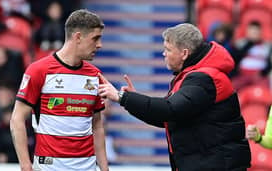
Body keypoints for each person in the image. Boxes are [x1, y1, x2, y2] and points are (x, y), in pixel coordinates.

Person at [98, 23, 251, 171]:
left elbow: (170, 110)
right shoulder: (195, 75)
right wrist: (131, 100)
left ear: (184, 53)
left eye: (168, 49)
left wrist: (121, 97)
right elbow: (167, 118)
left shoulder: (204, 78)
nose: (164, 54)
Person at [10, 9, 109, 171]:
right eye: (95, 39)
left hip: (87, 167)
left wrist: (104, 168)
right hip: (49, 167)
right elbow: (17, 118)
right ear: (78, 37)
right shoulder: (38, 70)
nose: (99, 45)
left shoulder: (95, 75)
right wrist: (25, 165)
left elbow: (97, 125)